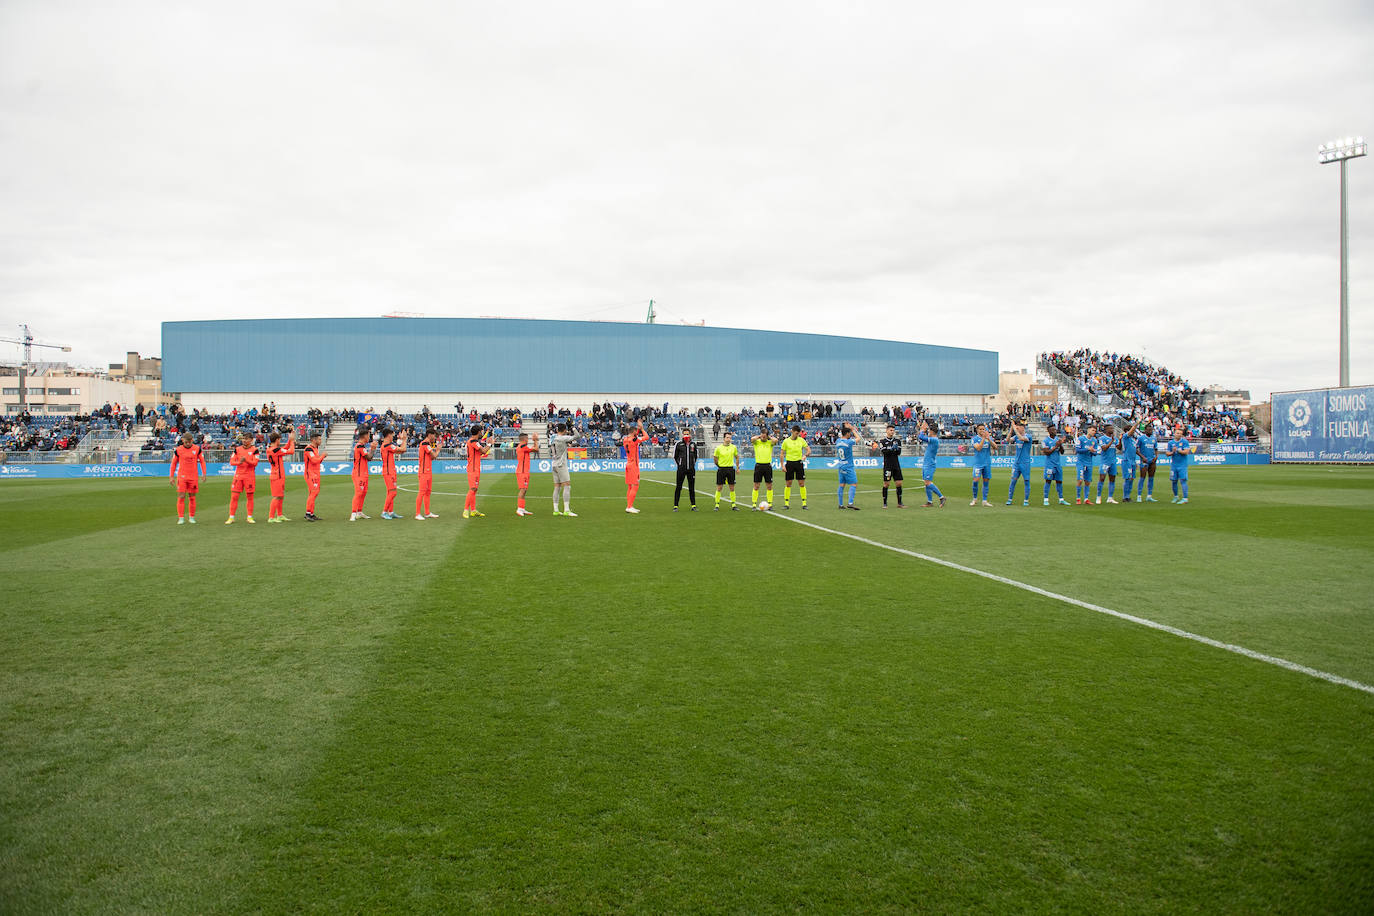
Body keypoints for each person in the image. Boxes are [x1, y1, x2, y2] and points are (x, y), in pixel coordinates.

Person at [169, 432, 206, 524]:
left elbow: (202, 461)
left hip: (193, 477)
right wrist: (171, 476)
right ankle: (181, 518)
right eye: (186, 442)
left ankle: (191, 517)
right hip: (182, 476)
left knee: (192, 497)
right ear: (182, 441)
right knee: (181, 496)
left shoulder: (197, 449)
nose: (188, 444)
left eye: (189, 442)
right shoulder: (178, 450)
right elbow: (173, 463)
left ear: (192, 440)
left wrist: (204, 474)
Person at [226, 432, 259, 524]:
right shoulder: (237, 449)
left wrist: (247, 460)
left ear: (251, 440)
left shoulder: (255, 450)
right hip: (238, 476)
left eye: (246, 439)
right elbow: (232, 462)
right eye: (243, 438)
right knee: (234, 496)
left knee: (250, 497)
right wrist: (239, 463)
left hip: (249, 476)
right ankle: (231, 517)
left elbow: (255, 463)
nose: (244, 440)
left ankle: (249, 517)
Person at [265, 430, 297, 522]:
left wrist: (289, 440)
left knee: (281, 495)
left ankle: (279, 515)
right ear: (277, 440)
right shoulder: (275, 450)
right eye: (279, 439)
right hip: (277, 476)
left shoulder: (271, 449)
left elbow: (285, 448)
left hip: (278, 474)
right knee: (276, 496)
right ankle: (271, 517)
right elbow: (291, 451)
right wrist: (291, 441)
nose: (280, 441)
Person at [871, 424, 904, 508]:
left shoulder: (897, 441)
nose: (892, 432)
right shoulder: (882, 441)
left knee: (899, 483)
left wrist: (895, 449)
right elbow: (883, 452)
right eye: (890, 430)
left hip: (896, 465)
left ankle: (899, 503)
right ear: (887, 431)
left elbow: (899, 452)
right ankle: (885, 503)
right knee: (886, 484)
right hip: (888, 465)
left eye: (893, 430)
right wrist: (891, 449)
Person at [780, 425, 810, 510]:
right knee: (788, 483)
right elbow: (782, 454)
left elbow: (808, 450)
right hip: (789, 464)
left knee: (801, 483)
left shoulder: (801, 440)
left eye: (798, 433)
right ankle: (786, 503)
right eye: (796, 433)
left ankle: (804, 503)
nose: (797, 435)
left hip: (799, 463)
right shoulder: (786, 441)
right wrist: (782, 465)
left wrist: (805, 455)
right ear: (792, 431)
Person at [550, 423, 577, 517]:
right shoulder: (563, 438)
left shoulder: (553, 438)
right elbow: (577, 436)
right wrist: (573, 427)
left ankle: (556, 510)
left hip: (554, 464)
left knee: (557, 487)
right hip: (561, 464)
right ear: (565, 430)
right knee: (567, 486)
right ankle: (566, 510)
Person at [412, 428, 439, 520]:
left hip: (427, 471)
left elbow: (431, 457)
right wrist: (438, 450)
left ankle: (427, 512)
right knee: (422, 492)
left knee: (428, 492)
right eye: (434, 435)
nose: (435, 437)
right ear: (430, 435)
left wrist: (435, 451)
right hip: (424, 472)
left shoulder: (427, 445)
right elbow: (434, 455)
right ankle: (417, 513)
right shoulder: (424, 444)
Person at [463, 425, 490, 518]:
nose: (482, 433)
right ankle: (466, 510)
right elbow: (483, 451)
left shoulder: (472, 441)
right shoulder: (473, 441)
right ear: (478, 432)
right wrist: (490, 444)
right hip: (473, 468)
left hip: (476, 468)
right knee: (473, 489)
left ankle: (473, 510)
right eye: (481, 431)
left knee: (475, 489)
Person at [917, 419, 945, 508]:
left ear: (932, 431)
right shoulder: (933, 439)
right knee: (926, 483)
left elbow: (921, 437)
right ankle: (929, 501)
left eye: (929, 431)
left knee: (928, 482)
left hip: (930, 464)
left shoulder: (934, 439)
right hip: (927, 463)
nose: (928, 432)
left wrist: (922, 429)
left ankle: (941, 497)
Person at [622, 421, 649, 513]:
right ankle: (629, 507)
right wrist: (642, 429)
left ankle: (629, 506)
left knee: (630, 486)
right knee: (635, 485)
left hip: (628, 463)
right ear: (634, 432)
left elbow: (634, 436)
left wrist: (638, 430)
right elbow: (646, 437)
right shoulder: (634, 440)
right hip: (634, 465)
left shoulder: (625, 439)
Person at [1005, 421, 1032, 506]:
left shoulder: (1028, 436)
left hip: (1025, 463)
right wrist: (1011, 430)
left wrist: (1014, 429)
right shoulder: (1016, 436)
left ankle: (1026, 500)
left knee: (1026, 481)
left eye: (1018, 427)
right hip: (1017, 463)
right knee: (1013, 481)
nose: (1017, 429)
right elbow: (1007, 440)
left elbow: (1021, 438)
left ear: (1023, 427)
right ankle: (1009, 499)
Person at [349, 429, 374, 521]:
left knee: (363, 493)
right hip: (359, 474)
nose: (369, 437)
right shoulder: (360, 446)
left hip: (363, 473)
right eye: (368, 435)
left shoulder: (361, 446)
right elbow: (369, 457)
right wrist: (373, 449)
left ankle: (359, 512)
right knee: (359, 493)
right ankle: (353, 513)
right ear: (365, 436)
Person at [1041, 425, 1069, 506]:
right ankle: (1046, 499)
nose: (1055, 431)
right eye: (1052, 430)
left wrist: (1060, 445)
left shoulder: (1058, 440)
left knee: (1059, 481)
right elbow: (1047, 452)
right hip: (1049, 464)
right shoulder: (1045, 441)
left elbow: (1062, 452)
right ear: (1048, 431)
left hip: (1058, 464)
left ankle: (1061, 499)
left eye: (1055, 429)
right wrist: (1056, 446)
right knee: (1048, 481)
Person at [672, 429, 699, 511]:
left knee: (691, 488)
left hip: (691, 470)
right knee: (678, 487)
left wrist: (692, 465)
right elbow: (675, 456)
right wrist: (680, 465)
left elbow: (696, 456)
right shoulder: (679, 444)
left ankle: (693, 505)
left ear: (690, 435)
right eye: (685, 434)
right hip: (681, 470)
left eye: (687, 434)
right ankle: (675, 506)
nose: (686, 435)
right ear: (682, 435)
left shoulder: (693, 444)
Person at [969, 423, 995, 507]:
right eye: (980, 429)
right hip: (978, 463)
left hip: (987, 463)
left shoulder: (988, 438)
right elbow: (978, 448)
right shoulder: (974, 439)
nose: (982, 430)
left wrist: (989, 439)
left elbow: (996, 447)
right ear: (977, 430)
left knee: (986, 482)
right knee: (975, 481)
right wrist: (984, 438)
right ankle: (975, 499)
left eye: (983, 429)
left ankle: (984, 500)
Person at [750, 428, 777, 509]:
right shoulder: (756, 442)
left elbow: (776, 440)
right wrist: (760, 436)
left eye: (764, 436)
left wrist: (768, 437)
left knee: (769, 486)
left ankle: (770, 504)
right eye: (762, 435)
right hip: (758, 466)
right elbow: (752, 439)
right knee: (756, 486)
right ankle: (754, 504)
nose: (763, 437)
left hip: (767, 466)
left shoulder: (770, 443)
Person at [713, 430, 740, 510]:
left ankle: (733, 505)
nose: (729, 439)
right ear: (724, 438)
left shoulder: (733, 447)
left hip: (730, 469)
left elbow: (737, 457)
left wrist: (738, 468)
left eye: (730, 438)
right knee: (719, 487)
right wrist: (719, 466)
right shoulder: (718, 448)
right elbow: (715, 458)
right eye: (727, 437)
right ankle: (717, 505)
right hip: (721, 469)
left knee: (732, 487)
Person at [1166, 426, 1193, 503]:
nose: (1179, 435)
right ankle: (1176, 497)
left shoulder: (1184, 442)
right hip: (1174, 465)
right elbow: (1167, 453)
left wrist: (1178, 450)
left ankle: (1185, 498)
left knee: (1183, 481)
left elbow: (1186, 452)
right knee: (1174, 481)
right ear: (1174, 433)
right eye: (1177, 433)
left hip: (1182, 465)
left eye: (1180, 434)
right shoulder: (1170, 443)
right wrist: (1173, 452)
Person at [836, 422, 859, 510]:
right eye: (849, 433)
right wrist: (853, 430)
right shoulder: (849, 442)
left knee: (842, 485)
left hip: (841, 465)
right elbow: (858, 438)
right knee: (854, 484)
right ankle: (850, 503)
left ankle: (840, 504)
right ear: (848, 433)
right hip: (848, 466)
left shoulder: (838, 441)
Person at [514, 430, 538, 516]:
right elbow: (536, 449)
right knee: (522, 490)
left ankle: (522, 508)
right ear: (525, 439)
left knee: (524, 490)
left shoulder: (521, 446)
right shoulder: (523, 446)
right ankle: (519, 509)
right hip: (522, 471)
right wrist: (535, 440)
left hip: (524, 471)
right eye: (527, 438)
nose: (528, 439)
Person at [1074, 424, 1099, 505]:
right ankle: (1078, 498)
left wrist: (1093, 451)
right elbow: (1077, 450)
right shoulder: (1081, 439)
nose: (1094, 432)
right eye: (1092, 430)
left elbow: (1095, 453)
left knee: (1087, 481)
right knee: (1080, 480)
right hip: (1081, 462)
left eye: (1095, 431)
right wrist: (1087, 449)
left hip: (1089, 463)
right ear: (1088, 430)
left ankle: (1086, 499)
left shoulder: (1094, 441)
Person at [303, 432, 326, 521]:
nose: (320, 441)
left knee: (314, 493)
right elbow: (314, 460)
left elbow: (317, 461)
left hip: (316, 474)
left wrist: (321, 457)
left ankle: (311, 513)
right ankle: (308, 513)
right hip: (310, 474)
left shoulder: (315, 449)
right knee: (314, 492)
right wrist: (323, 456)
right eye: (319, 439)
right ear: (314, 440)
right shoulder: (309, 449)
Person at [1096, 425, 1120, 505]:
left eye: (1112, 428)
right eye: (1110, 428)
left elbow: (1119, 447)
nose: (1112, 429)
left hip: (1113, 461)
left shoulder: (1115, 439)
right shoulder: (1102, 438)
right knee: (1102, 478)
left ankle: (1110, 498)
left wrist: (1121, 440)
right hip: (1105, 462)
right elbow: (1104, 448)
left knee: (1112, 479)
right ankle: (1098, 497)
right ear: (1106, 430)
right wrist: (1111, 441)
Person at [1137, 427, 1160, 502]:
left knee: (1151, 478)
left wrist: (1156, 456)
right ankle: (1139, 496)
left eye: (1151, 430)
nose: (1150, 431)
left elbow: (1156, 449)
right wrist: (1142, 457)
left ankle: (1149, 496)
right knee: (1142, 477)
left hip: (1152, 460)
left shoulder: (1154, 439)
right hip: (1144, 460)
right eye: (1149, 430)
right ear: (1145, 430)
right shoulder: (1141, 438)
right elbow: (1136, 449)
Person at [1119, 423, 1139, 504]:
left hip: (1132, 461)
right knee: (1128, 478)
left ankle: (1128, 496)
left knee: (1131, 479)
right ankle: (1125, 497)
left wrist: (1135, 462)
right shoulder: (1125, 437)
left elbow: (1134, 451)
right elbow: (1131, 432)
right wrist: (1136, 424)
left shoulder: (1132, 440)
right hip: (1127, 460)